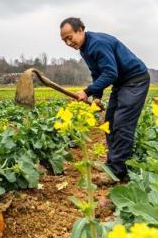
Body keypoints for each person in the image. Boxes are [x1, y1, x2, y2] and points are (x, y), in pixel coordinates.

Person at [59, 17, 150, 183]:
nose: (68, 43)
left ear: (80, 30)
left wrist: (87, 91)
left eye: (69, 37)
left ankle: (117, 172)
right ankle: (112, 163)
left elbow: (110, 73)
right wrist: (97, 97)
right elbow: (98, 73)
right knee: (109, 123)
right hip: (121, 83)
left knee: (122, 124)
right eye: (64, 40)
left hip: (135, 80)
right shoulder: (84, 49)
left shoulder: (97, 44)